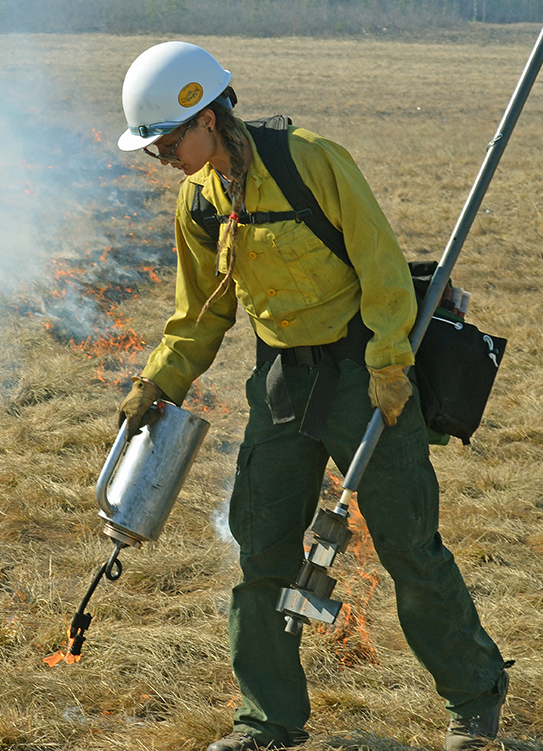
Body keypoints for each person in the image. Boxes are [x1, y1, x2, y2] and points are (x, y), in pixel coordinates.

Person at [115, 41, 509, 751]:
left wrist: (390, 364)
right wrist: (159, 381)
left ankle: (474, 699)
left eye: (168, 143)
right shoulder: (197, 202)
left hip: (364, 368)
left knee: (407, 545)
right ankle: (265, 720)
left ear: (206, 117)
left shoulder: (310, 161)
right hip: (281, 381)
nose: (164, 159)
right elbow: (200, 313)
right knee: (260, 548)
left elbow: (382, 269)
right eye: (154, 151)